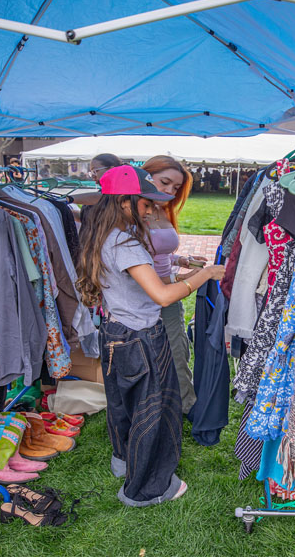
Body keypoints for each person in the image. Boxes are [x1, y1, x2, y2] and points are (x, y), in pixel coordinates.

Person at [74, 164, 225, 507]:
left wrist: (181, 272)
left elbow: (143, 286)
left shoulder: (104, 233)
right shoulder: (126, 242)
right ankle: (146, 489)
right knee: (153, 410)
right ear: (124, 202)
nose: (151, 208)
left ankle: (123, 460)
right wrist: (204, 275)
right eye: (145, 203)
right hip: (140, 337)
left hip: (115, 330)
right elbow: (162, 296)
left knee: (122, 404)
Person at [141, 155, 206, 416]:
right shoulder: (133, 213)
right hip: (143, 296)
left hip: (168, 295)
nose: (169, 191)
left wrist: (182, 260)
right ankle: (157, 405)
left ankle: (185, 404)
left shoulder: (161, 209)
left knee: (178, 350)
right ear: (146, 176)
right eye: (164, 182)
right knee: (148, 356)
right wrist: (183, 279)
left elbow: (160, 252)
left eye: (176, 187)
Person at [74, 153, 123, 218]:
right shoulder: (102, 191)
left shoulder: (124, 192)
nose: (93, 176)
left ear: (111, 169)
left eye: (95, 171)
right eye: (91, 172)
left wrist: (68, 199)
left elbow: (105, 198)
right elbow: (87, 218)